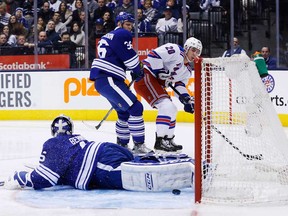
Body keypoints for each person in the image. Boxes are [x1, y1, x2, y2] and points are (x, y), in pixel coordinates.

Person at [3, 114, 194, 191]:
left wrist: (20, 177)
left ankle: (187, 172)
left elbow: (44, 179)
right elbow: (61, 172)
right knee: (141, 160)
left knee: (138, 174)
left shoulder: (52, 144)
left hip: (99, 168)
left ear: (54, 132)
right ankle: (189, 161)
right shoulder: (75, 140)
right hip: (106, 148)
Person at [89, 12, 152, 155]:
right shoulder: (122, 34)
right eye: (128, 24)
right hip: (109, 78)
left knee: (123, 112)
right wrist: (138, 70)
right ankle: (139, 145)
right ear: (120, 23)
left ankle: (122, 146)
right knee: (136, 107)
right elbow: (130, 59)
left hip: (104, 80)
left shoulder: (108, 36)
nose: (130, 28)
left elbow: (118, 57)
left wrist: (133, 70)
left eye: (131, 25)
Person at [134, 37, 201, 153]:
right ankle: (160, 141)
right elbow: (154, 55)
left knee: (173, 109)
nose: (195, 54)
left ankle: (168, 139)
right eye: (193, 50)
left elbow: (179, 87)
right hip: (145, 77)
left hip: (155, 83)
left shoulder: (187, 71)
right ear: (187, 48)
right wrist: (159, 70)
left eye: (198, 52)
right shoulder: (175, 50)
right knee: (167, 107)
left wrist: (186, 99)